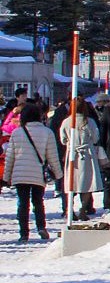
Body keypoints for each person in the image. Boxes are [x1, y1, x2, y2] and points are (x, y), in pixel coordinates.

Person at [7, 97, 60, 241]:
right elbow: (52, 156)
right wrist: (58, 174)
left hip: (20, 174)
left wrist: (7, 176)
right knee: (38, 202)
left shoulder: (17, 133)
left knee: (22, 203)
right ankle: (41, 227)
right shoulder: (47, 132)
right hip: (37, 174)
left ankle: (24, 233)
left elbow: (10, 157)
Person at [60, 99, 105, 220]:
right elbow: (95, 138)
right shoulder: (90, 122)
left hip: (72, 154)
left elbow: (63, 139)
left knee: (71, 183)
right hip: (87, 155)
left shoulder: (66, 122)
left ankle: (70, 209)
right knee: (87, 183)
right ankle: (83, 209)